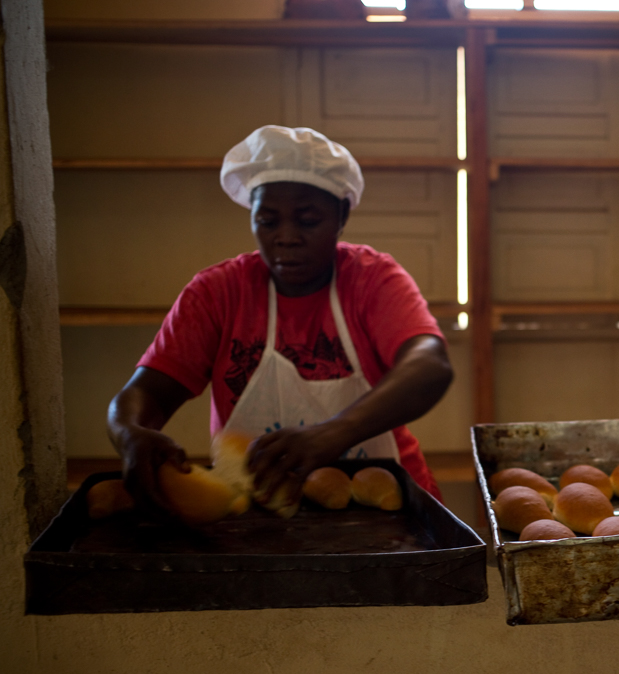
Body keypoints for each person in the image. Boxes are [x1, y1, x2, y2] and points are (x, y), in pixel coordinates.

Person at [107, 126, 453, 509]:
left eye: (307, 221)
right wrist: (130, 432)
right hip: (259, 508)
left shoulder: (370, 279)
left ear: (341, 215)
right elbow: (147, 391)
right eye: (268, 221)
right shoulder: (219, 293)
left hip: (385, 506)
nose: (286, 237)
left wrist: (335, 434)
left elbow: (430, 365)